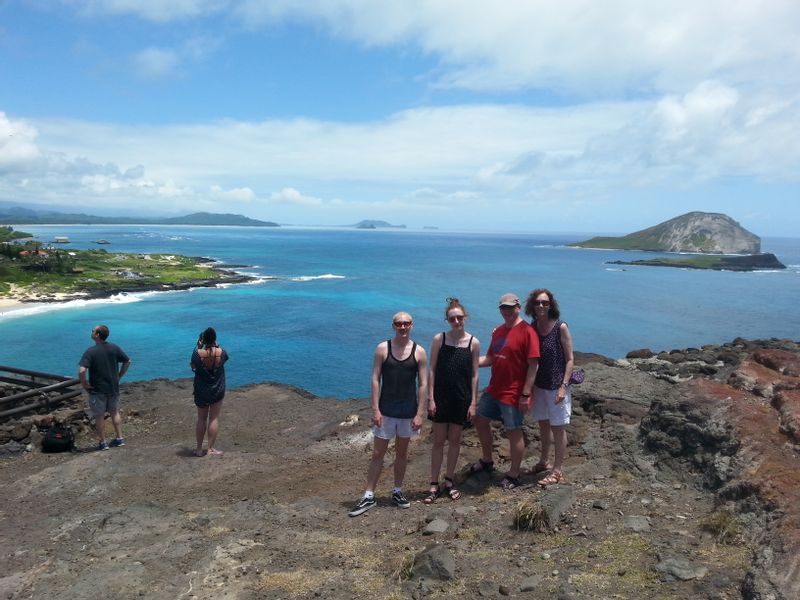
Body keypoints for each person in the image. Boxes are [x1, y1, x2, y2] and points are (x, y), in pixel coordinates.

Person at [349, 311, 428, 517]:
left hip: (408, 412)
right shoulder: (383, 348)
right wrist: (375, 409)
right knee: (378, 454)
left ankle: (397, 491)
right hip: (386, 411)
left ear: (412, 325)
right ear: (393, 326)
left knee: (402, 454)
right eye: (399, 323)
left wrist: (420, 413)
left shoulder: (419, 351)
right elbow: (375, 378)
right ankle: (368, 495)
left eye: (406, 323)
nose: (403, 327)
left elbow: (423, 384)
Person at [469, 293, 539, 489]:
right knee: (480, 420)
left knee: (513, 431)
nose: (507, 311)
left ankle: (514, 474)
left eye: (511, 307)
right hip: (494, 388)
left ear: (518, 307)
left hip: (514, 392)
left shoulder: (527, 332)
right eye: (503, 308)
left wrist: (526, 394)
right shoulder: (498, 331)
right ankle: (487, 460)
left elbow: (534, 365)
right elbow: (491, 358)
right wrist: (469, 361)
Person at [424, 298, 480, 503]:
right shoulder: (440, 339)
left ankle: (449, 480)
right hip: (441, 397)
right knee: (438, 441)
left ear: (465, 317)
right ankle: (433, 483)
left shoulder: (474, 342)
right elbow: (432, 369)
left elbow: (474, 374)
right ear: (447, 320)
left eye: (459, 317)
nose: (456, 321)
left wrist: (473, 402)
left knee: (455, 441)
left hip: (461, 397)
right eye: (452, 318)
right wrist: (431, 398)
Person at [525, 289, 574, 486]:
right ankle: (544, 461)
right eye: (537, 303)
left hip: (556, 386)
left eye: (545, 303)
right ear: (532, 306)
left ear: (551, 305)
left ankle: (557, 470)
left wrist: (563, 386)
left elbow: (570, 359)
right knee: (543, 425)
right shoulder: (533, 326)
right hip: (540, 385)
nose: (541, 306)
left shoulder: (560, 327)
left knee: (558, 427)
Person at [78, 324, 131, 451]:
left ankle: (103, 442)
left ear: (97, 335)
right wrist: (119, 376)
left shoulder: (90, 351)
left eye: (93, 330)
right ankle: (119, 438)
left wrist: (84, 384)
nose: (91, 332)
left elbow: (81, 370)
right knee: (114, 412)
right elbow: (128, 361)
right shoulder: (114, 347)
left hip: (97, 390)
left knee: (99, 416)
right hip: (113, 387)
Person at [191, 327, 229, 457]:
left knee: (201, 419)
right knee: (213, 418)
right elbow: (225, 358)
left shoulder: (197, 354)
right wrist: (216, 345)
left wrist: (199, 346)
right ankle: (210, 449)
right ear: (215, 339)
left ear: (203, 339)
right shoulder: (221, 352)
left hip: (201, 390)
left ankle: (199, 449)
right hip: (217, 390)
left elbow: (193, 365)